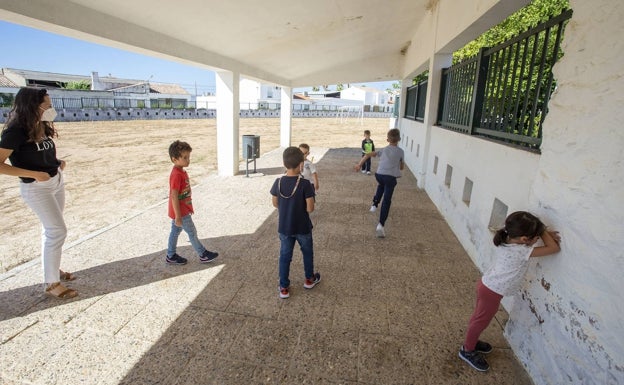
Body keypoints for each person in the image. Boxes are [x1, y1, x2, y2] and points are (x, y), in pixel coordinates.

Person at [459, 211, 561, 372]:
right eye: (536, 238)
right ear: (524, 239)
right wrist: (543, 232)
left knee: (478, 319)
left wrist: (541, 232)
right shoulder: (521, 251)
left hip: (488, 286)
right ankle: (467, 350)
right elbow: (553, 248)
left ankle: (471, 342)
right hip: (492, 291)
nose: (538, 240)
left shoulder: (507, 239)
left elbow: (531, 242)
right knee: (480, 321)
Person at [0, 87, 78, 299]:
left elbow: (40, 151)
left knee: (51, 230)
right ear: (33, 106)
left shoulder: (40, 125)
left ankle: (53, 270)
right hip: (37, 188)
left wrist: (56, 162)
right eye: (47, 105)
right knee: (57, 230)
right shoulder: (15, 131)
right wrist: (33, 174)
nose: (51, 108)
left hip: (55, 182)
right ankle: (51, 284)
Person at [270, 146, 320, 299]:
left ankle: (284, 287)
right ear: (301, 164)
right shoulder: (305, 184)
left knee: (285, 256)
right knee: (307, 253)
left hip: (285, 227)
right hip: (303, 227)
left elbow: (275, 203)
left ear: (284, 163)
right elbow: (310, 208)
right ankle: (309, 279)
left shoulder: (278, 182)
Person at [166, 140, 218, 265]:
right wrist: (178, 216)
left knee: (175, 231)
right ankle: (202, 254)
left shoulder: (182, 171)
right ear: (174, 159)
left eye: (188, 157)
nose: (188, 160)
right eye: (184, 157)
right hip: (180, 212)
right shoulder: (176, 175)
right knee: (192, 232)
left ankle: (170, 255)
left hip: (183, 209)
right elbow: (174, 196)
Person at [355, 128, 404, 238]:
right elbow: (402, 167)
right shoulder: (401, 152)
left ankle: (374, 204)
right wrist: (399, 163)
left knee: (381, 186)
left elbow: (367, 155)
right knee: (386, 200)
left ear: (387, 139)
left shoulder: (383, 150)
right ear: (399, 139)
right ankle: (381, 225)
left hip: (379, 175)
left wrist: (359, 165)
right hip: (390, 178)